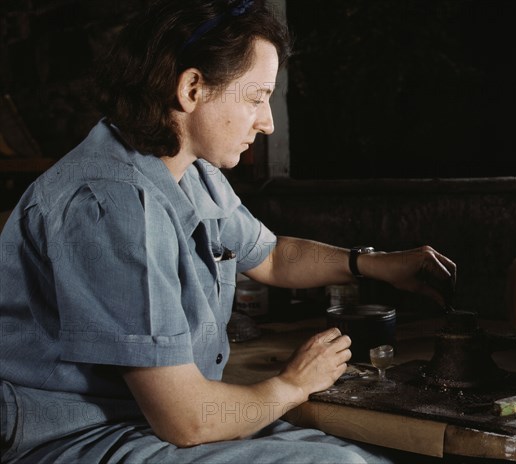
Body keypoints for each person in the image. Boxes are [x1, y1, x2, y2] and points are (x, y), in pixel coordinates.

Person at [0, 0, 456, 462]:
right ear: (192, 88)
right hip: (78, 438)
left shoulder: (188, 171)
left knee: (366, 456)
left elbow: (272, 256)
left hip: (151, 421)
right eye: (256, 97)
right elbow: (188, 420)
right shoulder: (112, 204)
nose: (268, 121)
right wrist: (292, 384)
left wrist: (375, 265)